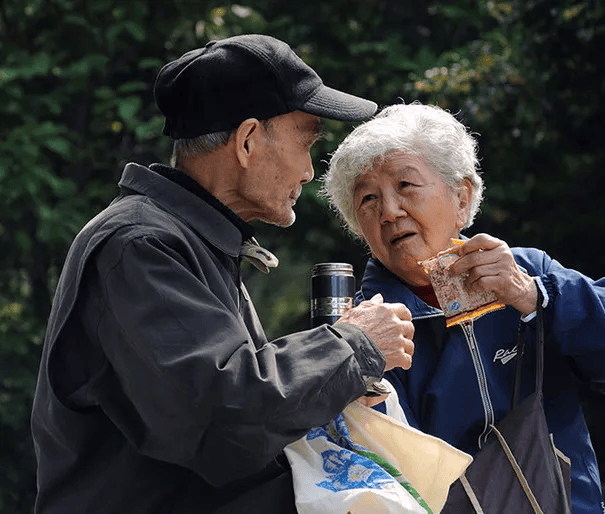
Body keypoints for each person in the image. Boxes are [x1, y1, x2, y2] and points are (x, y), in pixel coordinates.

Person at [30, 34, 416, 514]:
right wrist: (354, 346)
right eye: (306, 142)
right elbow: (222, 415)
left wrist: (327, 394)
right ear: (249, 140)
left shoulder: (191, 241)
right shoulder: (140, 245)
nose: (306, 171)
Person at [321, 102, 605, 514]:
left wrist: (536, 296)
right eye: (368, 199)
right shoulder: (364, 330)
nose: (390, 211)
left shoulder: (528, 274)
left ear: (461, 196)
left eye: (406, 186)